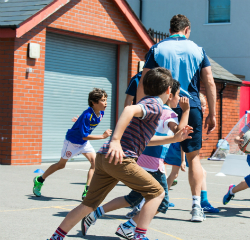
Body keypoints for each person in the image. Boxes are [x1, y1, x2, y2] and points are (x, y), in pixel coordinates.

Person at [47, 67, 193, 240]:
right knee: (158, 193)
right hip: (121, 159)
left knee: (88, 204)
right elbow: (129, 110)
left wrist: (172, 139)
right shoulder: (155, 105)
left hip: (105, 157)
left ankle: (56, 237)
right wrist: (115, 140)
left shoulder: (149, 103)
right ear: (169, 90)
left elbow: (146, 139)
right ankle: (138, 235)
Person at [80, 80, 190, 240]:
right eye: (179, 95)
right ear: (170, 94)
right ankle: (129, 227)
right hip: (153, 164)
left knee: (133, 198)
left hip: (140, 159)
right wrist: (186, 111)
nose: (180, 99)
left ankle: (96, 213)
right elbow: (179, 133)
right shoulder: (168, 113)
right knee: (162, 202)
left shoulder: (152, 108)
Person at [136, 14, 217, 222]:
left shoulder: (157, 48)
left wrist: (140, 110)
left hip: (163, 105)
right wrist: (213, 114)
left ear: (171, 29)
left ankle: (140, 204)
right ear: (187, 29)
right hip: (190, 105)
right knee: (193, 158)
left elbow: (143, 81)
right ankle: (196, 207)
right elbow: (209, 82)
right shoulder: (198, 50)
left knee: (152, 156)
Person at [33, 88, 112, 200]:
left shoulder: (101, 113)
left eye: (106, 100)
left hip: (84, 143)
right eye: (103, 100)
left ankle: (87, 190)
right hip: (72, 142)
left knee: (95, 163)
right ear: (94, 103)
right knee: (61, 165)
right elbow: (84, 134)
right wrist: (102, 136)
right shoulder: (87, 115)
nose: (106, 103)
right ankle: (39, 180)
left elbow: (85, 129)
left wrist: (78, 121)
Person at [165, 93, 219, 213]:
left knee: (174, 174)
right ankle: (203, 202)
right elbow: (184, 143)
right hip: (180, 149)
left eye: (205, 106)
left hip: (179, 148)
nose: (204, 108)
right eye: (202, 105)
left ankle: (164, 198)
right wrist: (183, 160)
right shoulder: (191, 117)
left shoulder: (193, 116)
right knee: (201, 172)